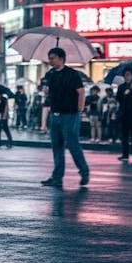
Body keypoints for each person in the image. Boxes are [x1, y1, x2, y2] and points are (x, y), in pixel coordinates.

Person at [40, 47, 89, 187]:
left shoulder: (72, 74)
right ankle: (57, 176)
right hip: (55, 115)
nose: (50, 60)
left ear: (61, 58)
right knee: (57, 146)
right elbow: (47, 91)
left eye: (52, 58)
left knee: (72, 144)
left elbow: (81, 92)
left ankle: (84, 171)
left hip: (70, 114)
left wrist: (79, 109)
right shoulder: (50, 75)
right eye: (49, 58)